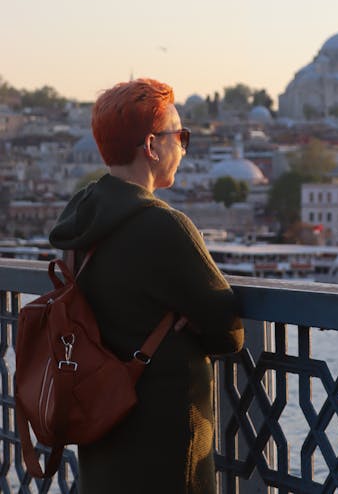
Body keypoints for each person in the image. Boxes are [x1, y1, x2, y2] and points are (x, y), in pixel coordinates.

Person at [49, 78, 244, 494]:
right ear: (152, 146)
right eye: (180, 136)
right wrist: (191, 319)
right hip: (167, 443)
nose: (184, 147)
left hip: (102, 429)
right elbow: (230, 333)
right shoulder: (165, 227)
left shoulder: (81, 221)